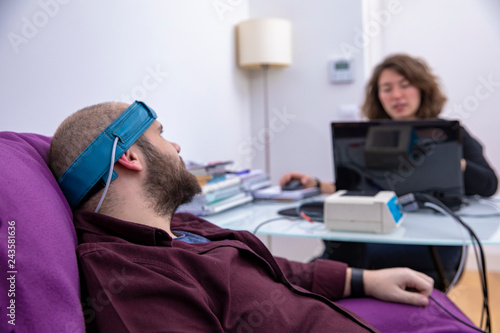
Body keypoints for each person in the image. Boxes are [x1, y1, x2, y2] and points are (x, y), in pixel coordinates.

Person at [47, 101, 442, 332]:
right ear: (129, 157)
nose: (177, 145)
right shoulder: (129, 281)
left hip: (336, 311)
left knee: (434, 300)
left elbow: (272, 267)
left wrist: (366, 280)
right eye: (162, 135)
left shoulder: (177, 225)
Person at [280, 54, 498, 291]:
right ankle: (315, 285)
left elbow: (488, 185)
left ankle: (321, 282)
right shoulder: (373, 137)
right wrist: (315, 183)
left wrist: (452, 160)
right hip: (378, 233)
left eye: (405, 85)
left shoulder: (450, 134)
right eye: (387, 88)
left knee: (336, 263)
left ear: (422, 88)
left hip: (431, 243)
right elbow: (361, 188)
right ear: (379, 96)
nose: (396, 95)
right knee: (333, 248)